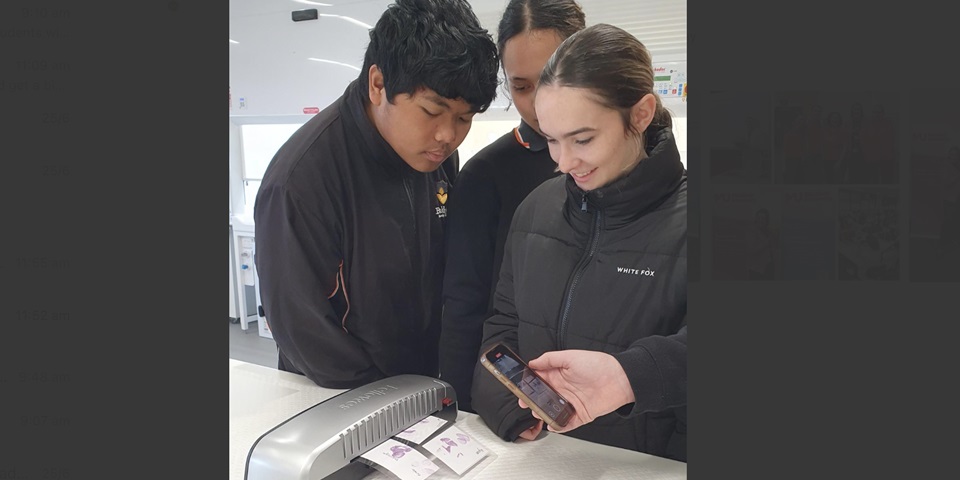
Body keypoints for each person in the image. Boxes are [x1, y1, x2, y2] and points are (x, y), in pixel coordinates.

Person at [253, 0, 499, 389]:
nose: (448, 135)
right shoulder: (302, 179)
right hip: (334, 396)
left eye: (464, 118)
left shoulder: (434, 156)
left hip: (419, 384)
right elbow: (301, 328)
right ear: (378, 84)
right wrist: (383, 399)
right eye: (432, 111)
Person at [470, 23, 687, 461]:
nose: (565, 162)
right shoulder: (536, 208)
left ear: (641, 114)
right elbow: (504, 321)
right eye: (552, 140)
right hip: (544, 461)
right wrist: (508, 409)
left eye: (583, 139)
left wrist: (630, 376)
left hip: (652, 465)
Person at [439, 0, 586, 414]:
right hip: (519, 405)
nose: (541, 102)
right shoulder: (485, 175)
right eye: (522, 87)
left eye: (555, 79)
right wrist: (461, 408)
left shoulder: (628, 163)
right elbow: (464, 309)